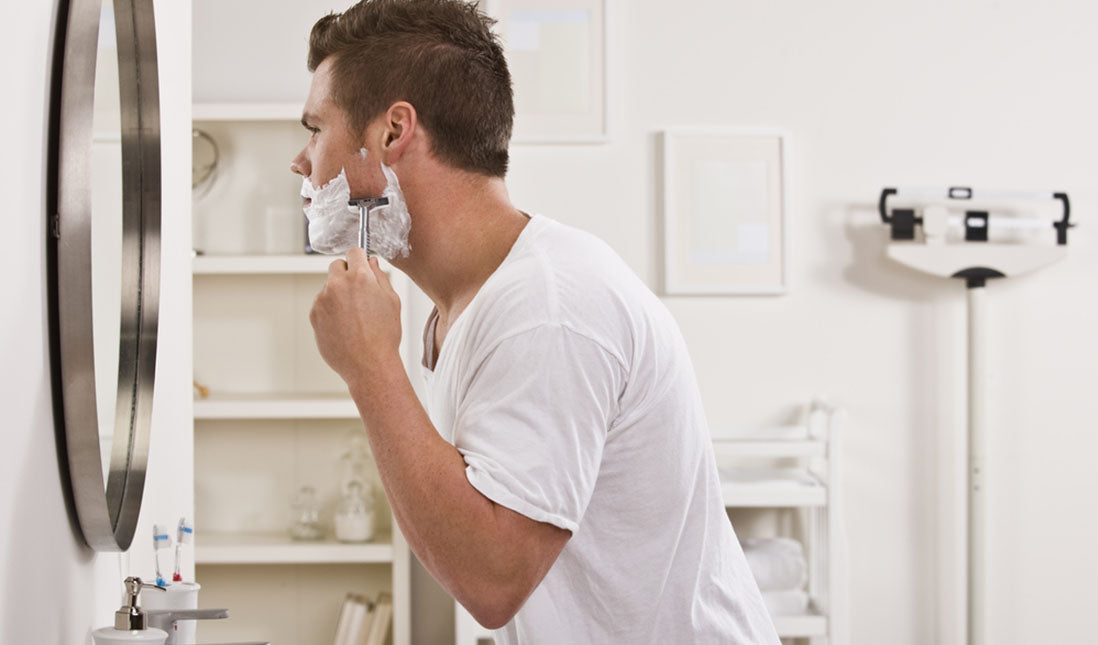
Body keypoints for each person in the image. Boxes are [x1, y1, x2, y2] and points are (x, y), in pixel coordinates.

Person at [293, 1, 780, 643]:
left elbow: (493, 580)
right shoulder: (468, 304)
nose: (303, 162)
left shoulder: (547, 309)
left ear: (391, 133)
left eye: (314, 129)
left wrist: (372, 369)